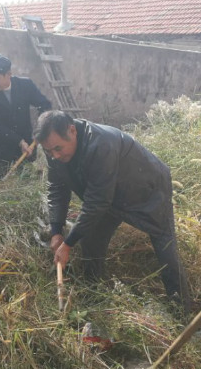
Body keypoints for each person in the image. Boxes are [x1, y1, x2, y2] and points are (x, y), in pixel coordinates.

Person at [36, 110, 190, 312]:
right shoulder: (55, 152)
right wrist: (57, 230)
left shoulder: (101, 144)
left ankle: (181, 308)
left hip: (146, 188)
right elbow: (57, 188)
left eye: (58, 149)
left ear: (72, 131)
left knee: (164, 244)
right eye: (48, 151)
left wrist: (68, 244)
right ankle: (95, 293)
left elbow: (97, 201)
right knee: (91, 238)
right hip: (108, 194)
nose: (54, 156)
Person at [0, 53, 51, 177]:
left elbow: (44, 105)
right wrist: (19, 141)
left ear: (8, 74)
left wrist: (40, 129)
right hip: (1, 147)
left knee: (26, 178)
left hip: (27, 145)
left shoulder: (25, 85)